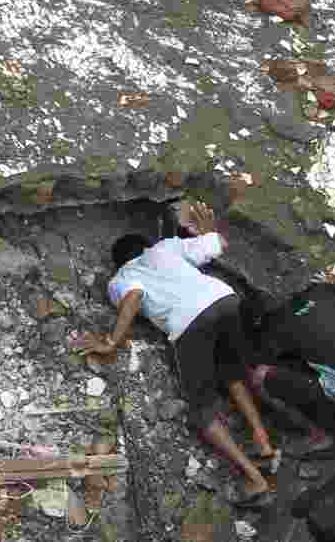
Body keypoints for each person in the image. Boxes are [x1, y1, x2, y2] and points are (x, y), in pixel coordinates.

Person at [76, 201, 278, 508]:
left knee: (202, 412)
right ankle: (263, 443)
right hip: (225, 299)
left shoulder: (120, 279)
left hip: (190, 322)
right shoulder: (167, 247)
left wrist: (112, 341)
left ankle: (255, 480)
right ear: (146, 246)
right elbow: (217, 244)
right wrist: (207, 229)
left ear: (119, 263)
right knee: (231, 371)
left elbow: (134, 296)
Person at [247, 279, 335, 458]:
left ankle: (317, 435)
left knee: (260, 375)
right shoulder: (319, 292)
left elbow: (255, 366)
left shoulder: (271, 329)